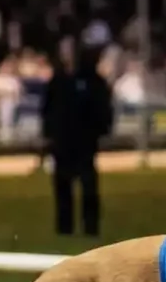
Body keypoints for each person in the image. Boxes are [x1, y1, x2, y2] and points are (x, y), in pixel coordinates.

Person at [42, 42, 115, 238]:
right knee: (63, 186)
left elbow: (103, 107)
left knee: (88, 186)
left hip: (85, 141)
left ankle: (90, 227)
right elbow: (47, 110)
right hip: (62, 141)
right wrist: (48, 135)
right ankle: (64, 227)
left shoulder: (92, 80)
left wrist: (101, 130)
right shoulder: (58, 81)